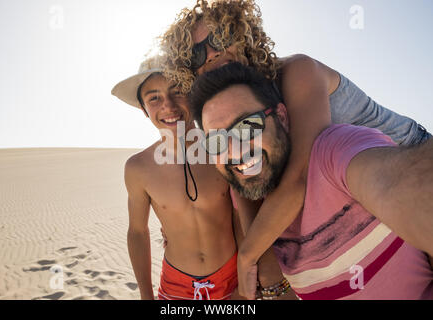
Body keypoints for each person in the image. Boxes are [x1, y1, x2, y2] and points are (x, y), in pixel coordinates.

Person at [159, 0, 432, 298]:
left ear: (240, 34)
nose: (212, 53)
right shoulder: (229, 110)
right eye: (198, 52)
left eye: (221, 38)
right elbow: (243, 187)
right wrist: (264, 262)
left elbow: (300, 175)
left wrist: (249, 255)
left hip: (410, 155)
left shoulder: (296, 71)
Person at [190, 62, 433, 300]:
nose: (235, 151)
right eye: (217, 141)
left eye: (248, 126)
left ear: (282, 117)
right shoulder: (246, 193)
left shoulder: (333, 152)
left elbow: (401, 184)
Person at [111, 56, 295, 300]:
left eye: (178, 91)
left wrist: (246, 279)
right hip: (176, 285)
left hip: (233, 278)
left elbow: (241, 214)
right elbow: (137, 231)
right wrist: (146, 296)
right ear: (144, 110)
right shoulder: (138, 168)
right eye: (154, 98)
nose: (168, 105)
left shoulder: (223, 151)